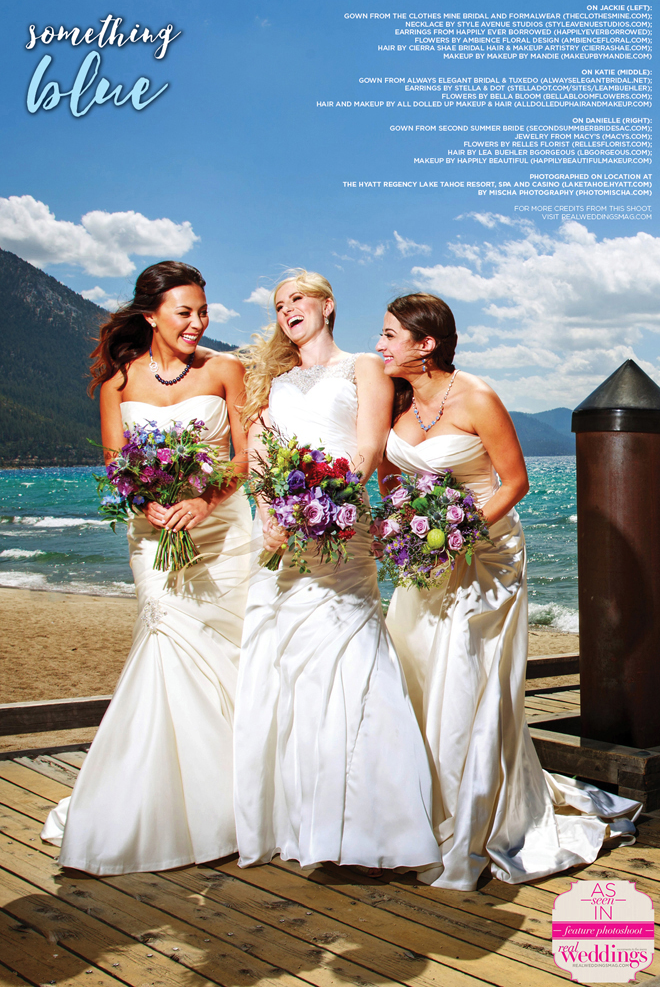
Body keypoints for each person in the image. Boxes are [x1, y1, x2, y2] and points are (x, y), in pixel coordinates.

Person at [376, 292, 640, 892]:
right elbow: (392, 478)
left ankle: (469, 820)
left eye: (390, 334)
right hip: (422, 561)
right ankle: (417, 812)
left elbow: (514, 481)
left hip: (484, 557)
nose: (381, 345)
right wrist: (406, 527)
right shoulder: (395, 398)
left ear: (426, 344)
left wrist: (458, 536)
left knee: (465, 679)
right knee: (415, 673)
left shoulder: (477, 397)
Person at [41, 261, 253, 874]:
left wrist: (203, 499)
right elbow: (117, 465)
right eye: (185, 312)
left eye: (203, 311)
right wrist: (146, 502)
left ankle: (234, 800)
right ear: (151, 315)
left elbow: (246, 456)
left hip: (221, 533)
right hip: (153, 537)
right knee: (166, 640)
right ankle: (163, 807)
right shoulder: (118, 381)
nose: (197, 322)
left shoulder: (225, 370)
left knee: (228, 652)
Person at [233, 270, 441, 871]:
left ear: (327, 306)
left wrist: (324, 503)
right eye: (279, 305)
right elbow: (259, 459)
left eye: (297, 299)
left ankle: (378, 826)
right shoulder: (271, 382)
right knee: (294, 671)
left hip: (342, 527)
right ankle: (308, 824)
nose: (287, 310)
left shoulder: (364, 366)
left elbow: (369, 448)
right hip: (284, 539)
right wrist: (272, 514)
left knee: (354, 660)